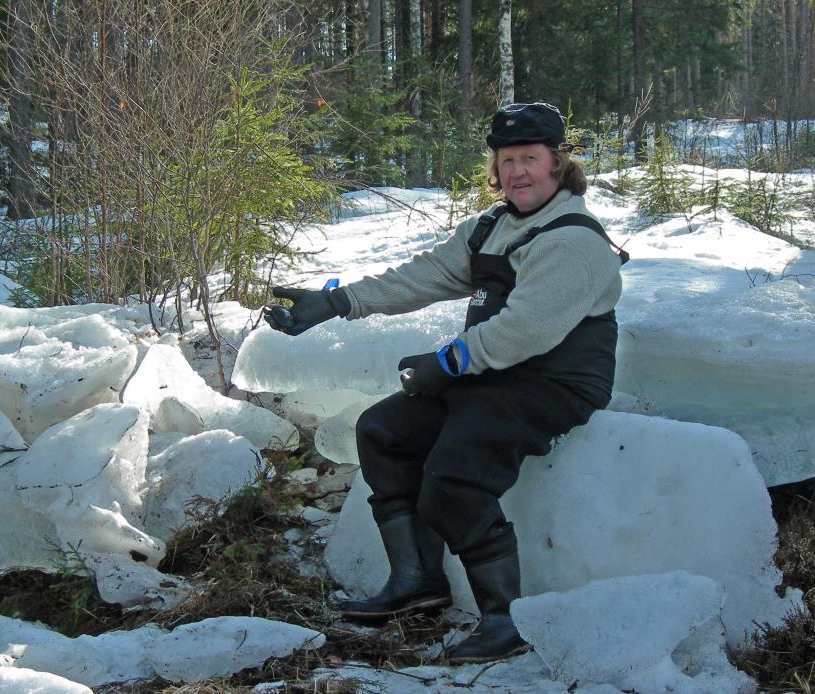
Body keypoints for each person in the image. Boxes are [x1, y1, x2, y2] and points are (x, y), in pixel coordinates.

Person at [264, 101, 625, 664]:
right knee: (383, 430)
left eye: (530, 158)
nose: (516, 173)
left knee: (454, 474)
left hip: (552, 381)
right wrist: (337, 302)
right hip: (491, 374)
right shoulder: (491, 226)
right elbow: (425, 276)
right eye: (506, 161)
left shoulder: (572, 238)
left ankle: (505, 620)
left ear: (560, 165)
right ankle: (417, 581)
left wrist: (449, 363)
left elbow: (524, 331)